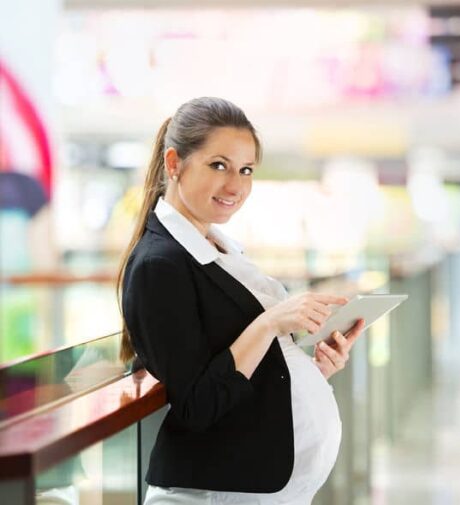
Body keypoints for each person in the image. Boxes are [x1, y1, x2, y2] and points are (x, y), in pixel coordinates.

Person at [117, 97, 365, 504]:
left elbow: (236, 371)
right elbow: (198, 404)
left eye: (246, 170)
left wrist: (312, 368)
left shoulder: (219, 250)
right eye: (219, 166)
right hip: (212, 494)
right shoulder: (159, 265)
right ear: (175, 163)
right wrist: (270, 323)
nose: (235, 185)